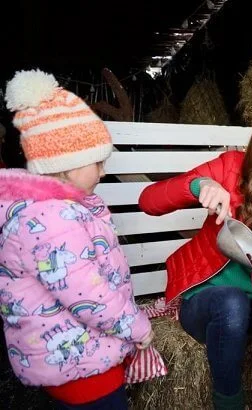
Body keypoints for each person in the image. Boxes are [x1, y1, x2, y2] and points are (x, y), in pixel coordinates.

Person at [138, 104, 252, 410]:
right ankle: (229, 403)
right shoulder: (232, 168)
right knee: (231, 302)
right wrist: (200, 185)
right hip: (207, 303)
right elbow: (149, 201)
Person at [0, 69, 153, 409]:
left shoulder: (45, 211)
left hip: (70, 358)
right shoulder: (54, 220)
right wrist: (136, 327)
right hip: (82, 364)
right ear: (65, 165)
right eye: (97, 162)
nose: (102, 171)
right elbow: (89, 294)